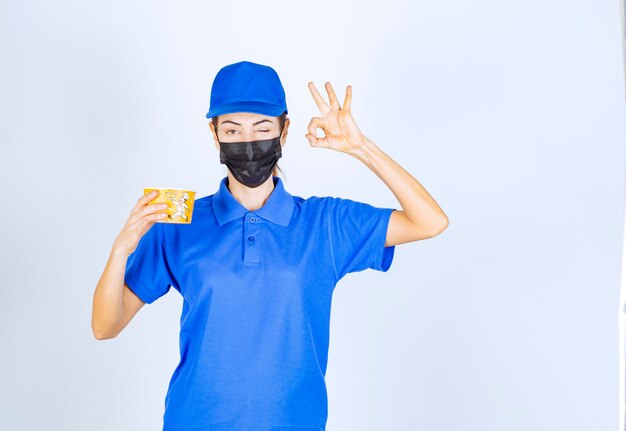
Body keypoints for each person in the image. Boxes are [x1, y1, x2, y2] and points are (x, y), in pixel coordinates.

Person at [92, 60, 448, 431]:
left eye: (262, 127)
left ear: (284, 130)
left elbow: (430, 221)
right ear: (214, 134)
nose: (247, 142)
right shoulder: (180, 223)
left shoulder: (324, 224)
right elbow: (105, 326)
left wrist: (361, 148)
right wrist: (120, 250)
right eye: (232, 129)